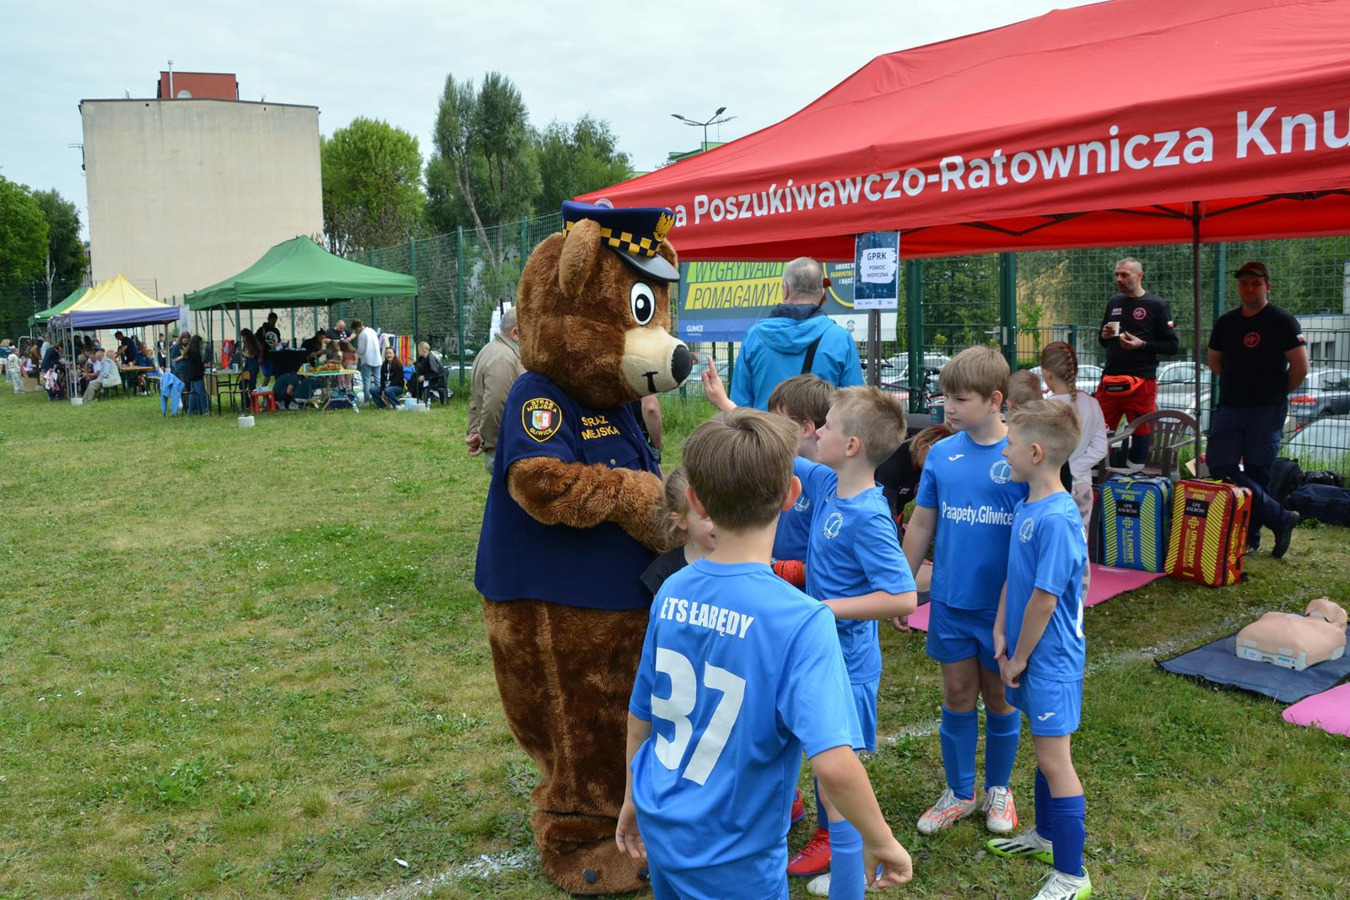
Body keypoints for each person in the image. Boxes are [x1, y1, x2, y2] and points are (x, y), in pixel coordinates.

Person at [616, 408, 913, 900]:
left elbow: (640, 715)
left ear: (696, 500)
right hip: (736, 856)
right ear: (793, 495)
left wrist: (631, 797)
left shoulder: (671, 590)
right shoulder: (801, 619)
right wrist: (882, 840)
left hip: (660, 820)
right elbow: (834, 763)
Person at [792, 387, 919, 899]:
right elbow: (781, 449)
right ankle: (849, 864)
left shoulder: (868, 514)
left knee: (837, 785)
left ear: (851, 446)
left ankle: (851, 880)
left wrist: (827, 608)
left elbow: (903, 596)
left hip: (849, 665)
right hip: (823, 656)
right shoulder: (828, 483)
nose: (817, 430)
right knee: (827, 775)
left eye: (826, 425)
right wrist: (728, 409)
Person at [901, 346, 1029, 838]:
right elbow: (922, 523)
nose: (948, 408)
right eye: (945, 397)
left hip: (1001, 609)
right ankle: (959, 792)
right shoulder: (941, 454)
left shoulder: (1021, 454)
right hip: (951, 602)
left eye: (960, 399)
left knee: (999, 697)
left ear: (995, 400)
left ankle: (999, 788)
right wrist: (903, 585)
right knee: (956, 693)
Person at [988, 400, 1092, 900]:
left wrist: (1020, 657)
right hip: (1027, 653)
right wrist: (1001, 628)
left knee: (1056, 760)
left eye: (1009, 443)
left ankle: (1072, 875)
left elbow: (1046, 600)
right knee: (1044, 751)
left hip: (1050, 662)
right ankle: (1047, 837)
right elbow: (1017, 577)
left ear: (1034, 453)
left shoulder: (1057, 519)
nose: (1003, 451)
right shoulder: (1028, 504)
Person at [1206, 261, 1307, 559]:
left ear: (1267, 286)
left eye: (1256, 283)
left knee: (1257, 472)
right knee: (1220, 465)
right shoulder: (1226, 322)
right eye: (1244, 283)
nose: (1249, 288)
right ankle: (1280, 517)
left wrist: (1276, 392)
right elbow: (1215, 361)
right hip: (1230, 406)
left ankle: (1249, 539)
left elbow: (1300, 367)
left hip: (1267, 409)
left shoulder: (1282, 321)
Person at [730, 258, 863, 410]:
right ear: (822, 292)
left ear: (785, 289)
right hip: (818, 426)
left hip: (765, 426)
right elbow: (853, 406)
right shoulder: (841, 339)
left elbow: (740, 405)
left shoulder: (754, 337)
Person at [1096, 257, 1179, 471]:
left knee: (1142, 431)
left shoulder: (1156, 305)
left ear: (1140, 275)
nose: (1119, 279)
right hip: (1110, 380)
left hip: (1141, 381)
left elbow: (1172, 346)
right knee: (1098, 429)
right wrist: (1104, 335)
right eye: (1117, 275)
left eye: (1125, 275)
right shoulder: (1114, 302)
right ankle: (1100, 476)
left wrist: (1142, 345)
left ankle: (1136, 476)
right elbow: (1102, 341)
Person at [1039, 343, 1108, 592]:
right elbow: (1101, 448)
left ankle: (1051, 593)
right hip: (1082, 487)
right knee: (1080, 543)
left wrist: (1067, 469)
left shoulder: (1047, 407)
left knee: (1052, 546)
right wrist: (1076, 469)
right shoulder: (1092, 403)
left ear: (1047, 373)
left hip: (1053, 488)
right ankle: (1080, 597)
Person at [639, 467, 716, 597]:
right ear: (681, 521)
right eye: (708, 516)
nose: (719, 522)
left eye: (722, 511)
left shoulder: (741, 561)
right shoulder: (664, 573)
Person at [466, 307, 525, 472]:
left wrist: (475, 431)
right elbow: (495, 406)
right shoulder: (503, 358)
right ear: (516, 333)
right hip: (506, 451)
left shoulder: (489, 349)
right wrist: (490, 442)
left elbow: (475, 397)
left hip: (500, 447)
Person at [874, 423, 955, 523]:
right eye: (937, 455)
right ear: (921, 443)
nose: (939, 463)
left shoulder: (926, 468)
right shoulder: (893, 463)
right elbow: (885, 510)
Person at [353, 319, 381, 404]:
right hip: (377, 359)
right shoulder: (372, 330)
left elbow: (361, 349)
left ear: (357, 328)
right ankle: (380, 399)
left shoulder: (362, 334)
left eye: (355, 330)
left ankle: (366, 401)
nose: (356, 332)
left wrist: (355, 352)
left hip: (367, 360)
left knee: (366, 381)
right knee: (378, 380)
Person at [184, 335, 208, 415]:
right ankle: (203, 409)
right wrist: (205, 365)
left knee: (193, 393)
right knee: (201, 392)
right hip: (197, 374)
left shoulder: (189, 350)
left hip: (191, 374)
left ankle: (191, 409)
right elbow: (199, 363)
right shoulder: (195, 352)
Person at [258, 313, 282, 387]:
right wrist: (260, 356)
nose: (274, 323)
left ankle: (278, 391)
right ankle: (263, 392)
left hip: (275, 356)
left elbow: (278, 342)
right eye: (272, 321)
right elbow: (260, 343)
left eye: (275, 321)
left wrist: (281, 345)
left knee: (277, 375)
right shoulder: (262, 329)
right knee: (267, 376)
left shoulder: (276, 330)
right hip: (266, 356)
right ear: (268, 319)